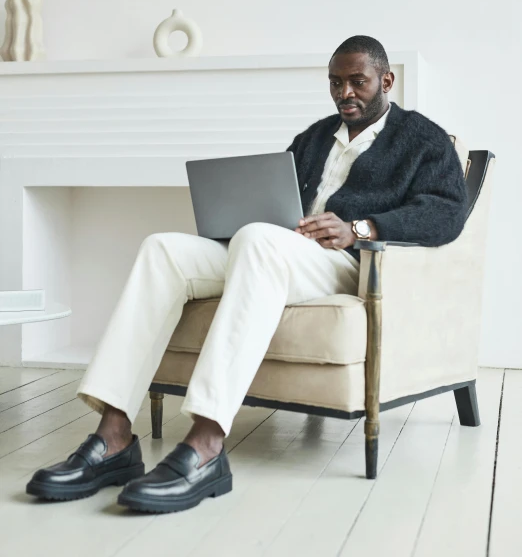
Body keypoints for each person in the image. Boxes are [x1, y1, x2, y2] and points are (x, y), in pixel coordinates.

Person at [26, 36, 468, 513]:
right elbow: (274, 198)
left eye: (357, 82)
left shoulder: (422, 138)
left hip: (346, 261)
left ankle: (207, 444)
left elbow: (447, 213)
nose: (346, 93)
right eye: (336, 83)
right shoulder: (316, 136)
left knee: (257, 240)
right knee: (163, 249)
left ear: (386, 80)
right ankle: (113, 438)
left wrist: (359, 227)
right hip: (277, 248)